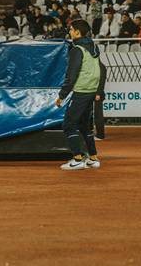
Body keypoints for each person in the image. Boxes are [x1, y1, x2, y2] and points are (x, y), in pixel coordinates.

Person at [55, 19, 106, 171]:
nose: (69, 32)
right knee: (84, 126)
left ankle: (77, 158)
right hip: (90, 91)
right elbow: (101, 70)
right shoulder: (93, 48)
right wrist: (98, 90)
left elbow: (72, 75)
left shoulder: (77, 49)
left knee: (68, 125)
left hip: (81, 91)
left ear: (78, 32)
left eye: (71, 29)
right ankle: (93, 158)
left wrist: (62, 95)